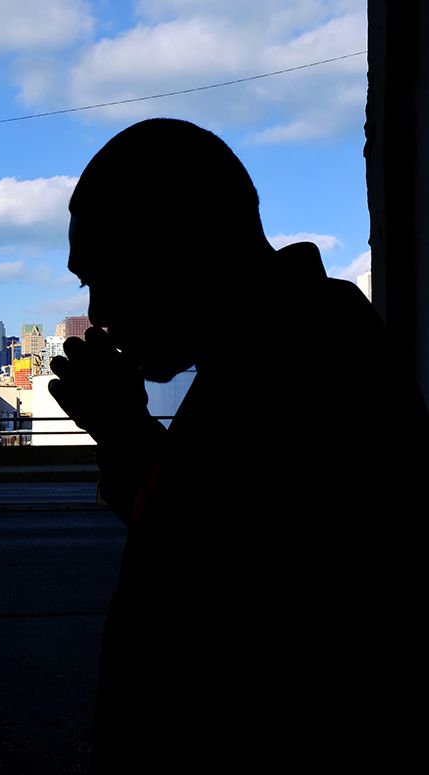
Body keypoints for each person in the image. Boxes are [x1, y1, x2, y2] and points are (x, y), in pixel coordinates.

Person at [49, 118, 427, 772]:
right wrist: (125, 431)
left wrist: (125, 432)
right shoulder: (296, 344)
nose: (99, 309)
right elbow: (207, 534)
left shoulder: (299, 365)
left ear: (176, 245)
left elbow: (221, 608)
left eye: (105, 274)